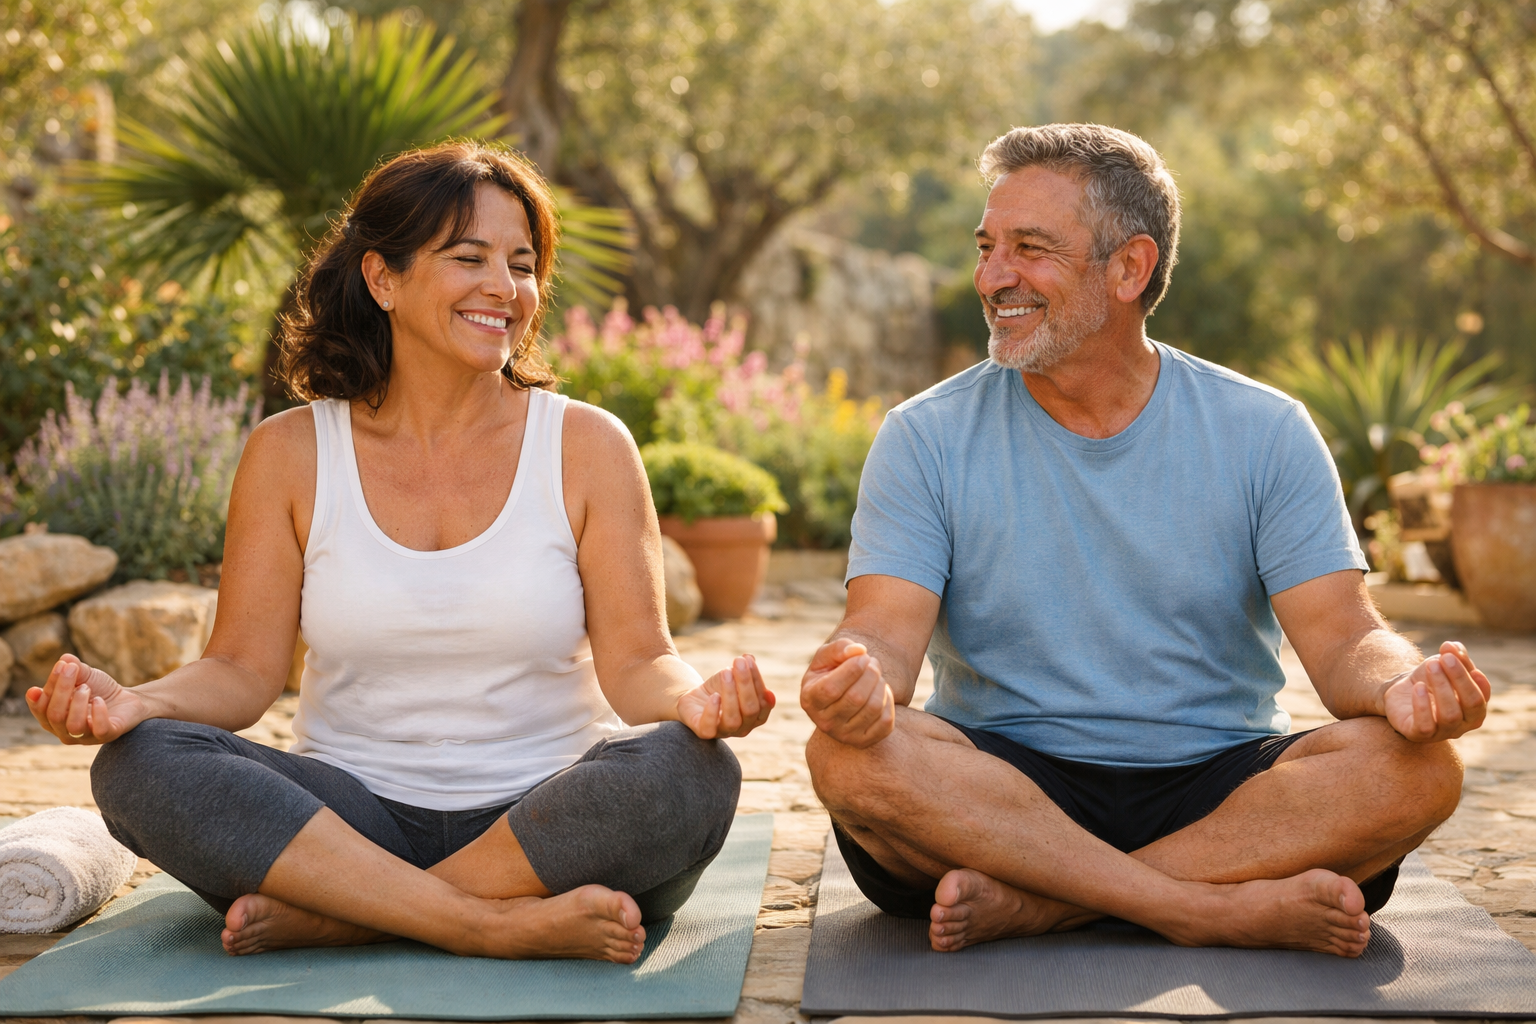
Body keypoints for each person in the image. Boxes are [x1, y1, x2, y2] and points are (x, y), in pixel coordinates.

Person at [26, 141, 774, 964]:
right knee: (138, 764)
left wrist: (696, 705)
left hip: (548, 816)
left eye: (522, 265)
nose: (506, 288)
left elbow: (640, 665)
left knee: (689, 769)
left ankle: (351, 915)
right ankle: (484, 923)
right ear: (383, 279)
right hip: (346, 818)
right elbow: (241, 669)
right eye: (470, 258)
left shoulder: (588, 444)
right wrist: (139, 704)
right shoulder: (291, 452)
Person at [800, 123, 1491, 959]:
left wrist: (1406, 686)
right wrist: (856, 678)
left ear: (1130, 267)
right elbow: (881, 634)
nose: (992, 277)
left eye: (1029, 248)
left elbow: (1347, 640)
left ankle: (1049, 906)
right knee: (851, 757)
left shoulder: (1265, 429)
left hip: (1219, 784)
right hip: (1002, 787)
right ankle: (1201, 910)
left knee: (1420, 769)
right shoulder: (924, 434)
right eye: (986, 248)